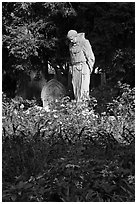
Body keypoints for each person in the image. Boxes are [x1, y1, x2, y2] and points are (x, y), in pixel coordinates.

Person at [67, 30, 95, 102]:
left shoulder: (84, 42)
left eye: (72, 39)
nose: (71, 41)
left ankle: (84, 107)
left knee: (83, 89)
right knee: (76, 89)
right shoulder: (71, 45)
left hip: (83, 68)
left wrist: (89, 69)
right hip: (74, 68)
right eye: (70, 40)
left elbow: (90, 57)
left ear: (76, 36)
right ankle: (78, 106)